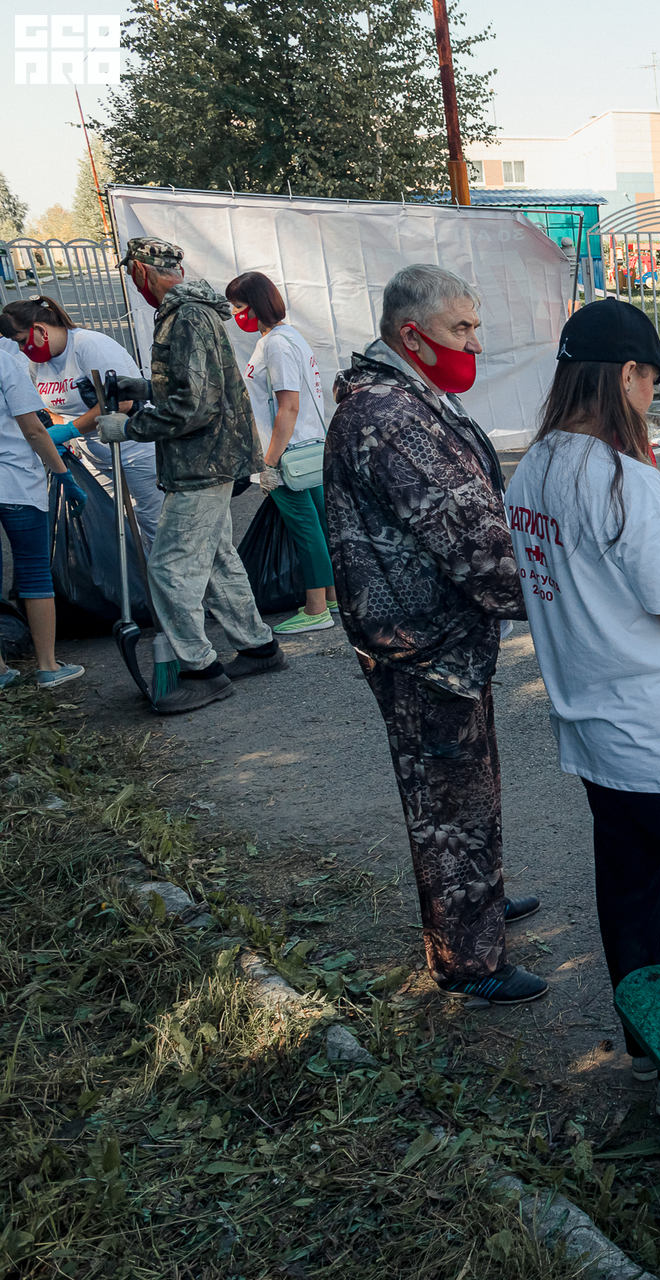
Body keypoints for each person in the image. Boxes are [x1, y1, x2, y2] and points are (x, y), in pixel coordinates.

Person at [506, 299, 660, 1119]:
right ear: (625, 374)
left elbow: (601, 573)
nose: (654, 394)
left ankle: (648, 1051)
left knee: (632, 892)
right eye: (651, 378)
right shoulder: (625, 482)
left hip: (591, 727)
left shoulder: (537, 467)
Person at [326, 262, 544, 1004]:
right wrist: (561, 596)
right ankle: (468, 960)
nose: (474, 343)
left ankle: (475, 899)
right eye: (462, 328)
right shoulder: (389, 417)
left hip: (440, 639)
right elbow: (473, 541)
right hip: (419, 646)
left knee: (468, 783)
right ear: (412, 336)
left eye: (475, 327)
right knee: (446, 800)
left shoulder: (409, 397)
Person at [95, 238, 285, 715]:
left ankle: (200, 671)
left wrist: (131, 426)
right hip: (212, 459)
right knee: (217, 557)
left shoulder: (183, 317)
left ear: (141, 271)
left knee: (171, 568)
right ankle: (259, 647)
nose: (133, 283)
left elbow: (195, 405)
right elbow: (199, 383)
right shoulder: (192, 311)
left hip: (201, 463)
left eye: (131, 273)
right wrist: (141, 387)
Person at [0, 296, 164, 549]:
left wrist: (70, 429)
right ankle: (137, 587)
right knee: (113, 529)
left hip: (136, 453)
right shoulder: (38, 364)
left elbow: (122, 402)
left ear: (40, 330)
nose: (21, 350)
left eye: (22, 340)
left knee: (154, 527)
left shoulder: (91, 346)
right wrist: (59, 429)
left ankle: (168, 587)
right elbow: (46, 406)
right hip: (93, 457)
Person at [225, 271, 338, 634]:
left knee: (307, 530)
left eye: (238, 306)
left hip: (289, 453)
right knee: (320, 526)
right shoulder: (287, 338)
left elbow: (288, 405)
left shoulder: (276, 344)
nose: (235, 313)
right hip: (307, 447)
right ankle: (332, 598)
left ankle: (316, 608)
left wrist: (268, 463)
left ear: (256, 306)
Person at [0, 323, 86, 688]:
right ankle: (49, 665)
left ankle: (1, 671)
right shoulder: (5, 363)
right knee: (34, 571)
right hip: (16, 480)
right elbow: (33, 429)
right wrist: (63, 473)